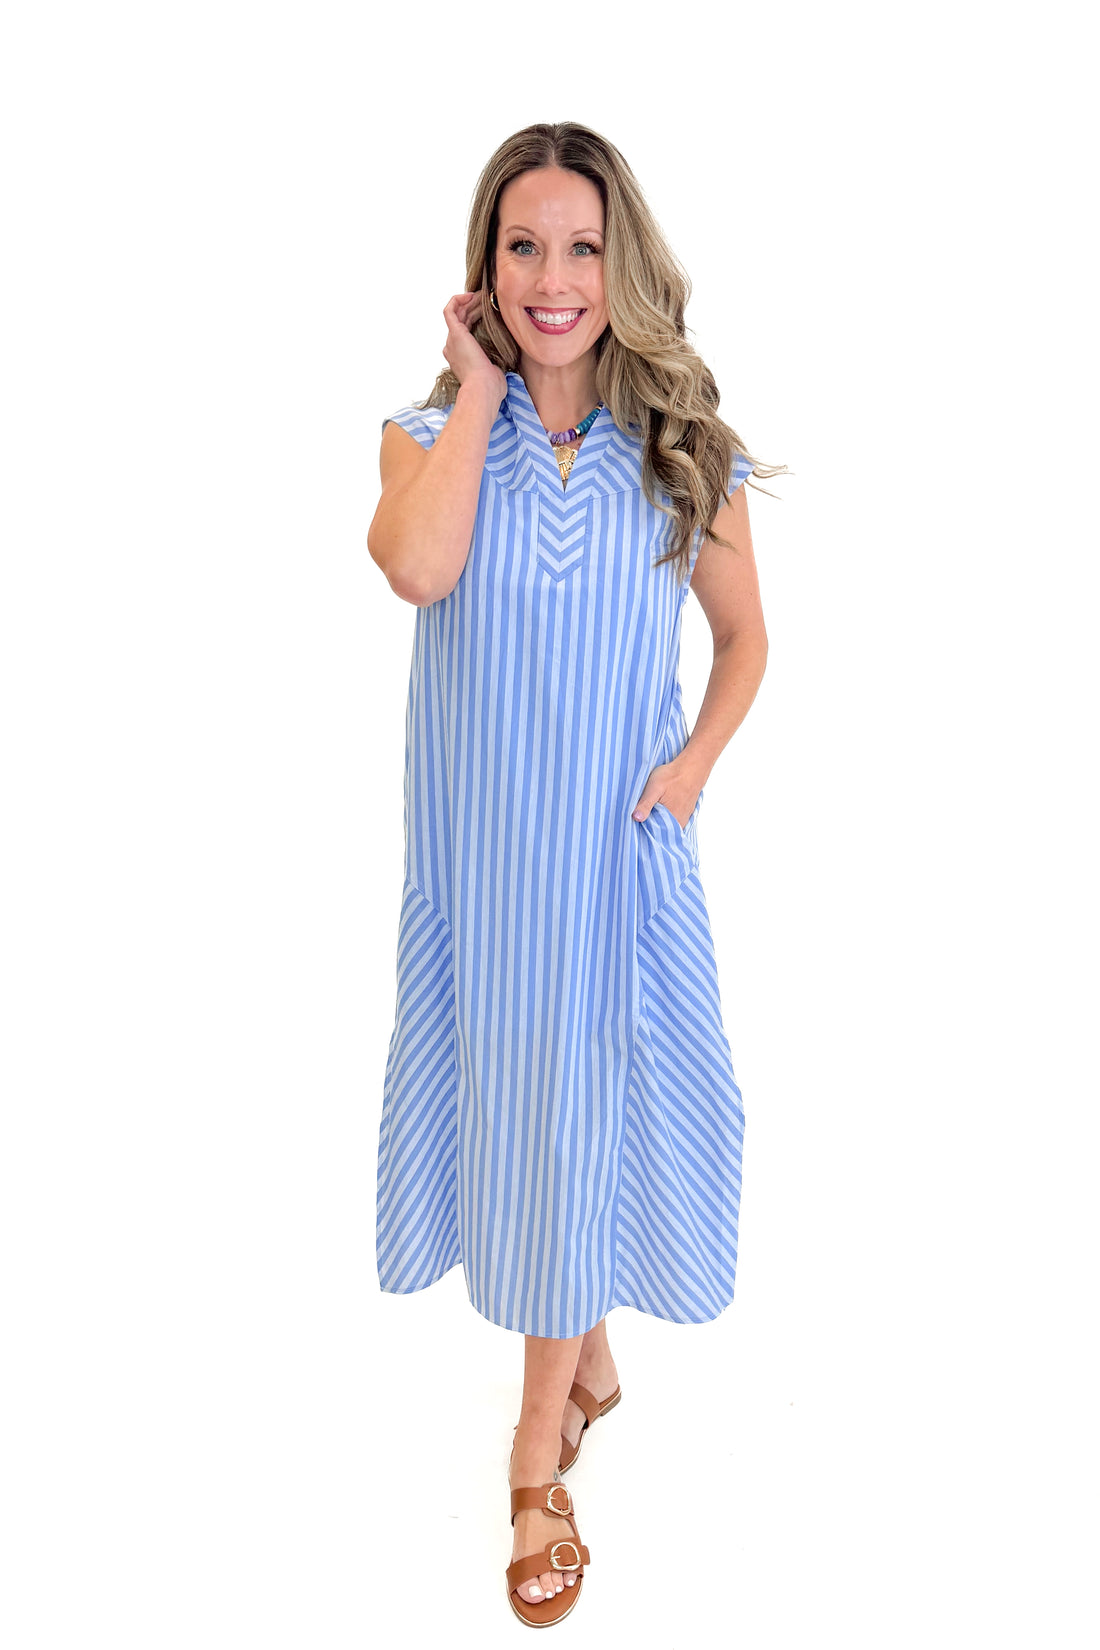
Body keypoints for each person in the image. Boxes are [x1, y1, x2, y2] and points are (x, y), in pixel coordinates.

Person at [368, 121, 782, 1628]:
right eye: (524, 245)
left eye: (582, 246)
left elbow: (746, 643)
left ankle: (538, 1441)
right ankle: (587, 1359)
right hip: (485, 873)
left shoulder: (682, 452)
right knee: (537, 1108)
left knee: (587, 1100)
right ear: (487, 266)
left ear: (624, 266)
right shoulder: (426, 442)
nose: (554, 277)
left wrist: (693, 769)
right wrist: (479, 388)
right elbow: (419, 569)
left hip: (614, 857)